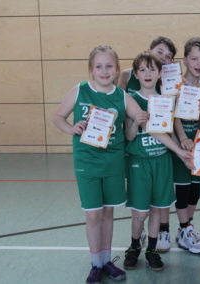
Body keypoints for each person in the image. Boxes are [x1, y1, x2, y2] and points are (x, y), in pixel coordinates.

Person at [53, 45, 139, 284]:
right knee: (93, 215)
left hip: (113, 161)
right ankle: (95, 263)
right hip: (87, 162)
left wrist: (143, 117)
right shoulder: (80, 90)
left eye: (109, 66)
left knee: (108, 212)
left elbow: (138, 115)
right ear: (91, 69)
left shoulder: (121, 95)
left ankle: (106, 260)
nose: (104, 70)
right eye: (99, 66)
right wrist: (72, 128)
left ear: (117, 69)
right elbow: (58, 116)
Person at [122, 51, 193, 271]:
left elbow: (169, 133)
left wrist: (183, 152)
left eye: (152, 69)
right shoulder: (131, 99)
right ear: (136, 74)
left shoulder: (166, 100)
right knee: (139, 213)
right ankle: (134, 246)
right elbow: (129, 136)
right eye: (142, 69)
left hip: (162, 161)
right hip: (139, 163)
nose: (147, 73)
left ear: (160, 73)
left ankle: (152, 249)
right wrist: (136, 123)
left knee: (156, 210)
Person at [157, 37, 200, 254]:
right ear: (185, 60)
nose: (199, 63)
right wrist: (182, 139)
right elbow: (173, 113)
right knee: (182, 189)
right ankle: (184, 229)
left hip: (198, 144)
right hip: (181, 143)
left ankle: (186, 229)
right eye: (194, 58)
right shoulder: (174, 82)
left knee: (195, 191)